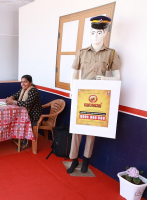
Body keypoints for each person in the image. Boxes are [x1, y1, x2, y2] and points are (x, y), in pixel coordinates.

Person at [67, 16, 121, 174]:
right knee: (77, 129)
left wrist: (106, 78)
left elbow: (118, 77)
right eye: (92, 32)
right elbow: (73, 73)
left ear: (105, 33)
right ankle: (74, 159)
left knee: (92, 130)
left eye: (99, 33)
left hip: (100, 97)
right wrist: (72, 90)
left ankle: (86, 160)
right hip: (81, 95)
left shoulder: (111, 54)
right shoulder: (82, 53)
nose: (95, 36)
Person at [6, 75, 42, 151]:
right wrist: (11, 98)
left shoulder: (33, 91)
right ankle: (19, 138)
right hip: (27, 113)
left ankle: (25, 143)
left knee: (21, 120)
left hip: (34, 115)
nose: (23, 84)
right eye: (21, 82)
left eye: (25, 82)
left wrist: (13, 102)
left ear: (30, 82)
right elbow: (16, 95)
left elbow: (27, 104)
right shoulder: (23, 90)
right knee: (15, 117)